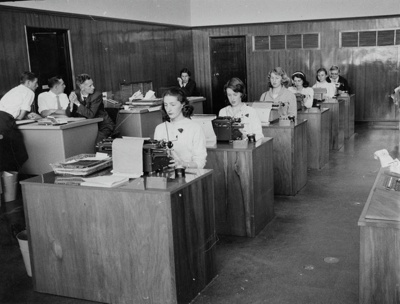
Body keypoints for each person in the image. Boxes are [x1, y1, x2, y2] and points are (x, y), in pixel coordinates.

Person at [154, 87, 206, 169]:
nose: (168, 109)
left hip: (189, 175)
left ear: (183, 104)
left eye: (173, 105)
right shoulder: (160, 128)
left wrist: (183, 163)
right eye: (166, 105)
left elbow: (200, 163)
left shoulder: (195, 128)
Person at [0, 71, 38, 171]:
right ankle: (18, 178)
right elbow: (21, 114)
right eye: (35, 83)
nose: (37, 86)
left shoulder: (14, 90)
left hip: (2, 118)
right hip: (5, 120)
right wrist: (24, 117)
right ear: (29, 83)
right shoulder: (29, 92)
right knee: (17, 151)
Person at [66, 74, 115, 143]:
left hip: (103, 126)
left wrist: (77, 103)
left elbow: (91, 114)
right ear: (82, 88)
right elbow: (68, 114)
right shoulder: (75, 93)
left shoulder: (97, 95)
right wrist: (71, 102)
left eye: (92, 84)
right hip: (88, 126)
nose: (93, 87)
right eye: (90, 86)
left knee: (96, 144)